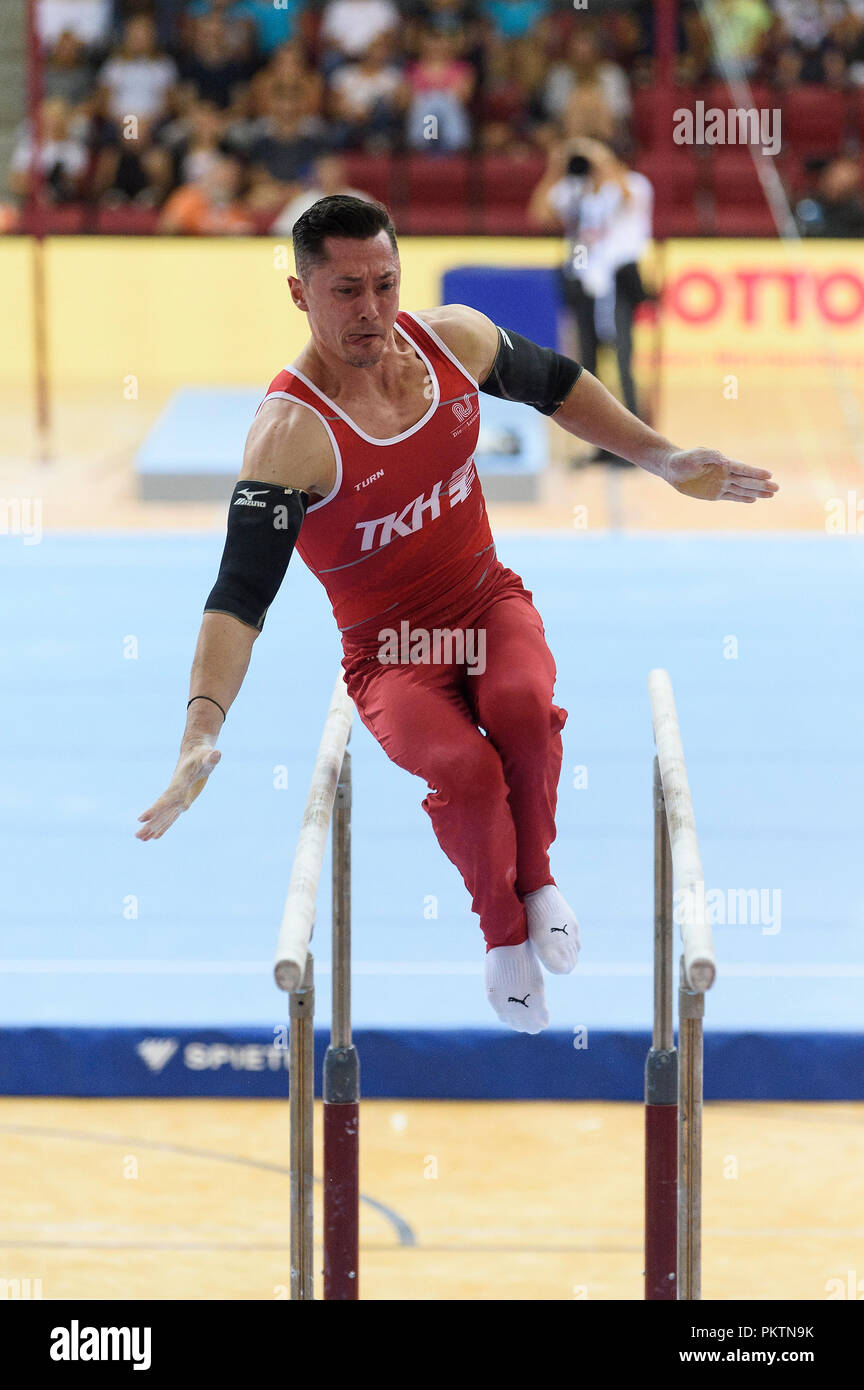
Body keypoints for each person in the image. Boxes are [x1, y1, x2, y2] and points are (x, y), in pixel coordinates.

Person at [136, 196, 778, 1034]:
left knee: (519, 708)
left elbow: (558, 387)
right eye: (344, 292)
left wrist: (660, 458)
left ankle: (538, 877)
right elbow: (238, 595)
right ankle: (504, 939)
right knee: (468, 772)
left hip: (487, 604)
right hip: (390, 653)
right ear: (300, 293)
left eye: (384, 283)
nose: (370, 310)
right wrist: (198, 728)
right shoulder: (289, 436)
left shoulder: (456, 341)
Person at [528, 137, 653, 464]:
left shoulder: (633, 185)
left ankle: (637, 445)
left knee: (624, 359)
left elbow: (625, 197)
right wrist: (558, 166)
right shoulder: (576, 189)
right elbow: (540, 213)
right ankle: (603, 444)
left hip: (618, 280)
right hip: (584, 280)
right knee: (588, 366)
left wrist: (600, 159)